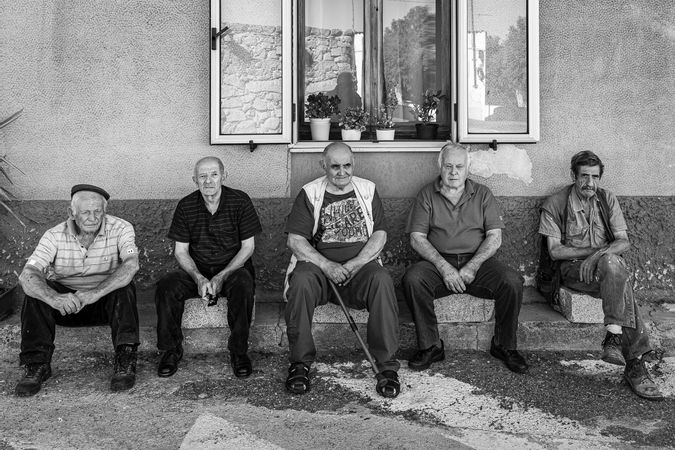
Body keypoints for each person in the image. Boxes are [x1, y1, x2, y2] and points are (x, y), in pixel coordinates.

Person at [539, 151, 663, 401]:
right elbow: (554, 251)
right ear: (573, 175)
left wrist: (596, 257)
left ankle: (615, 337)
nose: (589, 183)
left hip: (605, 268)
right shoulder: (556, 203)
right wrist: (592, 254)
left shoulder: (607, 199)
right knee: (618, 276)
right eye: (584, 176)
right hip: (573, 270)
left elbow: (623, 242)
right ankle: (635, 364)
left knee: (612, 264)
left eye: (595, 177)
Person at [283, 142, 400, 398]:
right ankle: (300, 363)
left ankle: (387, 366)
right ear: (323, 165)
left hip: (359, 268)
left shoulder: (367, 190)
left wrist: (352, 265)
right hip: (320, 271)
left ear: (353, 163)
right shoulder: (310, 192)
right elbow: (296, 240)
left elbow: (380, 235)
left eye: (347, 165)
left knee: (381, 280)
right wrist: (327, 265)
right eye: (335, 166)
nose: (341, 172)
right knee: (301, 282)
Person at [402, 143, 528, 374]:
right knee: (413, 279)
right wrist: (443, 267)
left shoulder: (482, 194)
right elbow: (416, 238)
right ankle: (430, 346)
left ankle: (504, 345)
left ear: (468, 168)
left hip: (478, 262)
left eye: (459, 166)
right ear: (439, 166)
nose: (453, 172)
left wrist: (472, 266)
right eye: (448, 166)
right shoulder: (426, 194)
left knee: (512, 282)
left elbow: (494, 237)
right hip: (438, 262)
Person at [16, 184, 140, 396]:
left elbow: (131, 265)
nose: (92, 217)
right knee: (34, 293)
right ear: (71, 213)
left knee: (125, 287)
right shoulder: (53, 235)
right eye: (85, 212)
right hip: (66, 305)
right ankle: (37, 365)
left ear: (104, 211)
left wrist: (94, 293)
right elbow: (27, 274)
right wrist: (54, 298)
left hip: (103, 302)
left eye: (97, 211)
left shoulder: (121, 228)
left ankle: (125, 360)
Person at [155, 157, 262, 378]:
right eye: (202, 176)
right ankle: (170, 351)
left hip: (233, 268)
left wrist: (223, 275)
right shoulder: (186, 205)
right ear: (195, 180)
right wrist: (198, 278)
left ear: (224, 176)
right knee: (167, 286)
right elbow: (181, 251)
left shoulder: (240, 201)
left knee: (243, 284)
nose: (208, 181)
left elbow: (247, 248)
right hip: (198, 268)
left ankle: (239, 352)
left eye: (214, 174)